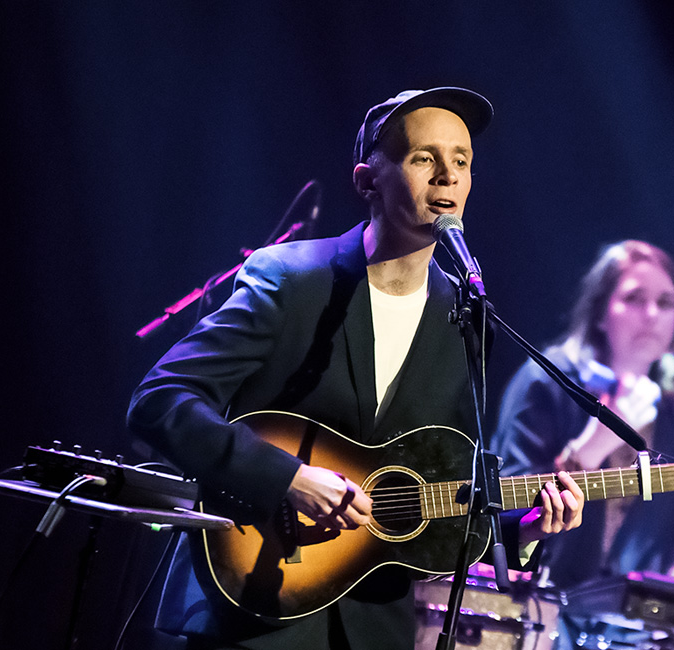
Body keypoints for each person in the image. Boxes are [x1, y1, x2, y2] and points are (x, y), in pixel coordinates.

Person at [127, 87, 584, 649]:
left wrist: (527, 531)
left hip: (372, 628)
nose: (447, 176)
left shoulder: (465, 318)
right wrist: (287, 478)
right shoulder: (292, 279)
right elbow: (160, 401)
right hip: (248, 609)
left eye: (461, 161)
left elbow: (436, 505)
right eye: (424, 158)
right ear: (369, 180)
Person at [491, 240, 674, 595]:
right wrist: (591, 447)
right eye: (634, 298)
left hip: (619, 620)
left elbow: (661, 529)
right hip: (536, 600)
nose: (652, 314)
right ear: (600, 313)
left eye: (665, 303)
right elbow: (504, 510)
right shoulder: (547, 381)